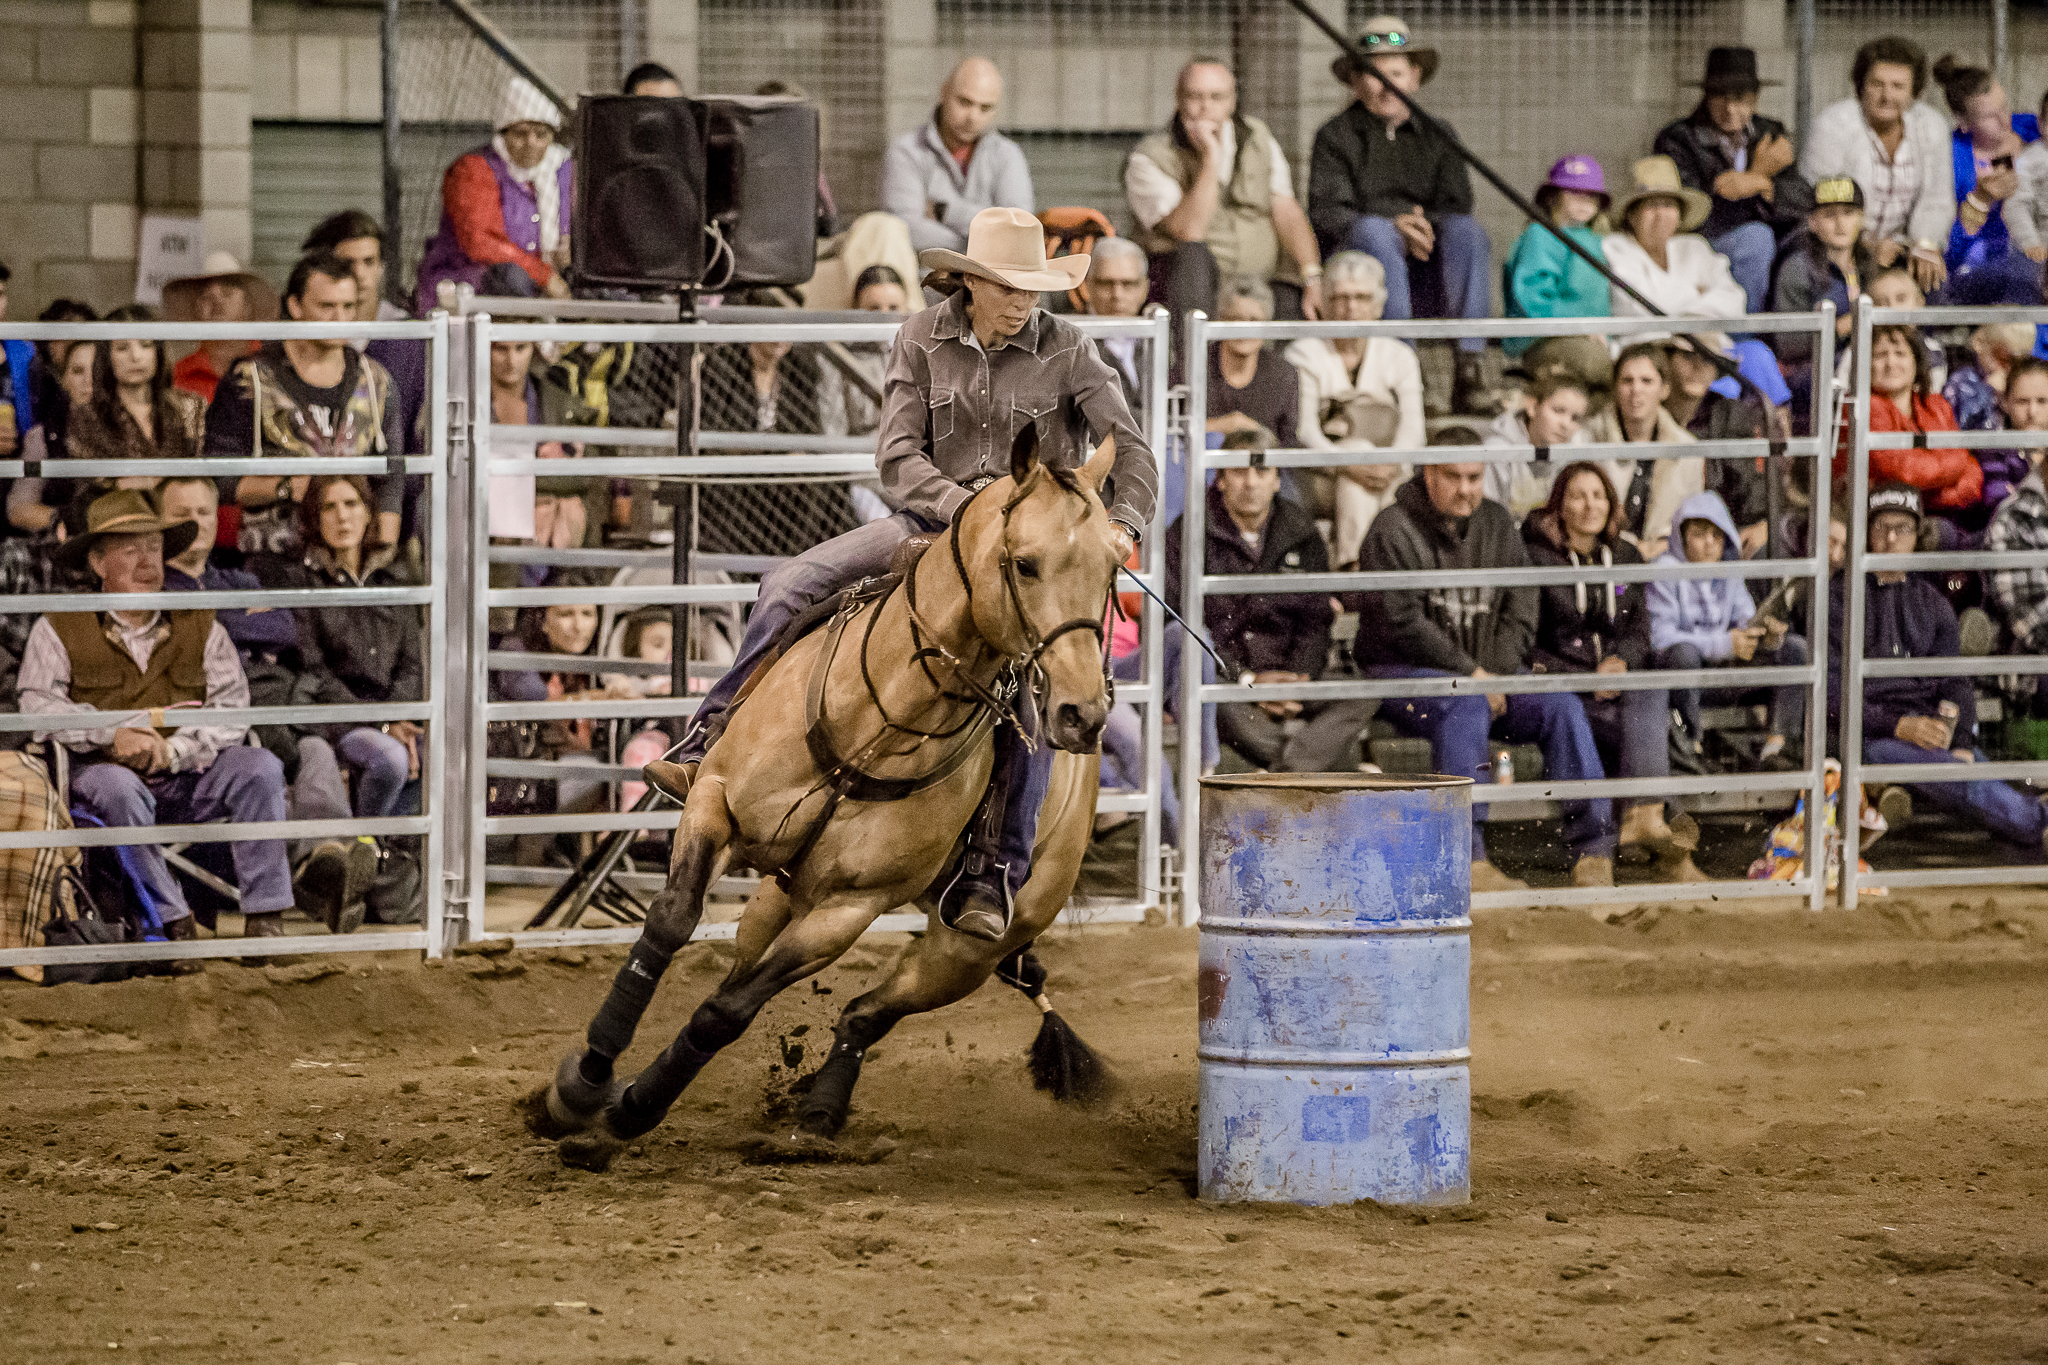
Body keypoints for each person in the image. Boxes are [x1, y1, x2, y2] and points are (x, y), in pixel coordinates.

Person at [644, 206, 1156, 943]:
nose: (1024, 301)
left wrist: (1121, 524)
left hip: (1028, 559)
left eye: (1033, 288)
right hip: (929, 527)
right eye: (1011, 286)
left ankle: (995, 867)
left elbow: (1131, 450)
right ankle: (708, 738)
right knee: (787, 584)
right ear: (972, 282)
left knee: (1033, 687)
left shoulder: (1069, 349)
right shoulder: (921, 338)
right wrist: (968, 513)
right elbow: (897, 458)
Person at [17, 489, 302, 938]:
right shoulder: (57, 625)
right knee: (117, 789)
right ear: (98, 564)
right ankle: (172, 918)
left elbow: (231, 706)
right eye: (131, 550)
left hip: (190, 771)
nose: (147, 561)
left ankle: (265, 916)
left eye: (154, 548)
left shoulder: (201, 622)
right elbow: (36, 706)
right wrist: (112, 735)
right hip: (105, 772)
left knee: (260, 766)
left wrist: (173, 751)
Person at [1354, 461, 1619, 891]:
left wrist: (1492, 673)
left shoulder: (1495, 521)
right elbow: (1399, 621)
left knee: (1562, 705)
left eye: (1474, 478)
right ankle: (1469, 860)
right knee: (1465, 702)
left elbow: (1521, 600)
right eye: (1453, 477)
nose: (1466, 489)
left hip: (1483, 674)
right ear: (1429, 476)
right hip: (1401, 675)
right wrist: (1474, 676)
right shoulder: (1393, 528)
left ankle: (1593, 851)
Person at [156, 475, 375, 926]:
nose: (195, 522)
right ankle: (319, 873)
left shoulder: (237, 577)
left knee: (315, 747)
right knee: (294, 752)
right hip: (215, 715)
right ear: (160, 522)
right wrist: (238, 617)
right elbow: (213, 631)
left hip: (274, 704)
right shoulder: (156, 587)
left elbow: (283, 626)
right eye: (181, 514)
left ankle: (322, 859)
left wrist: (225, 618)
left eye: (202, 512)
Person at [1522, 461, 1703, 879]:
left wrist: (1622, 663)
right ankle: (1661, 848)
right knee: (1655, 734)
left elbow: (1639, 632)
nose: (1590, 505)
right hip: (1567, 690)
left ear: (1612, 503)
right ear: (1559, 506)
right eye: (1578, 496)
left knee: (1650, 685)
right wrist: (1586, 678)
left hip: (1618, 688)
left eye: (1599, 495)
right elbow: (1529, 641)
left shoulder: (1625, 555)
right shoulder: (1534, 558)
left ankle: (1645, 821)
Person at [1843, 482, 2047, 849]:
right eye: (1881, 528)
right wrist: (1899, 725)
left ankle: (2032, 822)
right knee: (1967, 779)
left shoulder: (1933, 604)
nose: (1891, 538)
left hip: (1930, 731)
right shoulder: (1841, 598)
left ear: (1916, 536)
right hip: (1871, 738)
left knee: (1971, 771)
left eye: (1902, 528)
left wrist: (1963, 740)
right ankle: (2038, 822)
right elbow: (1830, 692)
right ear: (1867, 533)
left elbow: (1955, 682)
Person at [1306, 15, 1492, 409]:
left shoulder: (1440, 134)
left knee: (1469, 232)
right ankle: (1406, 368)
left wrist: (1423, 227)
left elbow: (1457, 202)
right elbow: (1329, 211)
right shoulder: (1334, 136)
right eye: (1374, 74)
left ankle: (1469, 368)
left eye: (1396, 72)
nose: (1387, 84)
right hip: (1364, 264)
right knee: (1374, 233)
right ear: (1356, 83)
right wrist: (1394, 228)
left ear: (1415, 78)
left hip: (1429, 266)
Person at [1168, 456, 1372, 773]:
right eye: (1238, 471)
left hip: (1291, 676)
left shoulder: (1302, 530)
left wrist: (1299, 677)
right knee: (1204, 697)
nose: (1250, 482)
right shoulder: (1187, 531)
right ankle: (1304, 768)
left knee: (1363, 692)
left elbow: (1316, 619)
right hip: (1229, 679)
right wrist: (1246, 679)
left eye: (1262, 471)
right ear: (1220, 479)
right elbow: (1179, 619)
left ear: (1277, 480)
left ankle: (1284, 773)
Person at [206, 252, 407, 559]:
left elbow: (391, 476)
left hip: (352, 565)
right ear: (295, 306)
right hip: (275, 562)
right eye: (327, 307)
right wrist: (287, 487)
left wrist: (384, 552)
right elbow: (216, 476)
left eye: (348, 307)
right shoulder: (250, 380)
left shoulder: (376, 381)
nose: (340, 319)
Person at [263, 474, 424, 827]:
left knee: (445, 755)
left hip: (395, 715)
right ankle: (362, 845)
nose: (342, 516)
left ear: (369, 513)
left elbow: (412, 663)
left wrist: (397, 719)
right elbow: (314, 671)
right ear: (315, 519)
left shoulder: (393, 576)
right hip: (337, 718)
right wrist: (382, 723)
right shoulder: (301, 582)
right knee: (392, 761)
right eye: (329, 507)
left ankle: (388, 856)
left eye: (351, 504)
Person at [1126, 58, 1323, 326]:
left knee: (1293, 296)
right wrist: (1210, 159)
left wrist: (1312, 276)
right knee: (1192, 255)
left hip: (1259, 282)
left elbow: (1286, 211)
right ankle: (1192, 363)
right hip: (1190, 286)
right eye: (1195, 97)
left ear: (1232, 101)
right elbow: (1190, 231)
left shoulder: (1258, 138)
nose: (1206, 107)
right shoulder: (1149, 156)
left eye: (1216, 97)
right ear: (1179, 100)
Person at [1280, 251, 1423, 568]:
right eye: (1341, 297)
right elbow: (1304, 431)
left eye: (1361, 297)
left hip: (1387, 469)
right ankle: (1361, 570)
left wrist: (1388, 465)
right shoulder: (1303, 352)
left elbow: (1414, 429)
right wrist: (1350, 463)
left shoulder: (1400, 355)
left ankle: (1360, 570)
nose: (1351, 308)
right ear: (1326, 304)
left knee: (1381, 482)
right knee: (1358, 468)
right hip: (1319, 473)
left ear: (1378, 305)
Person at [1648, 491, 1808, 770]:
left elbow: (1745, 618)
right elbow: (1660, 637)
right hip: (1687, 679)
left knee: (1794, 648)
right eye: (1699, 533)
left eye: (1717, 534)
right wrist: (1723, 644)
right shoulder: (1664, 570)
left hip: (1726, 675)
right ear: (1681, 536)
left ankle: (1778, 746)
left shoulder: (1729, 571)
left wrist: (1765, 635)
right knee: (1683, 654)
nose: (1709, 542)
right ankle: (1690, 745)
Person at [697, 293, 857, 558]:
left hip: (786, 471)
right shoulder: (722, 364)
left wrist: (796, 453)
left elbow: (810, 428)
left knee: (830, 487)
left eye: (789, 326)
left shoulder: (800, 366)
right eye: (774, 326)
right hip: (739, 472)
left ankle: (811, 563)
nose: (782, 336)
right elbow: (721, 437)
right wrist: (777, 452)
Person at [1654, 47, 1813, 314]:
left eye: (1739, 98)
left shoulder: (1769, 132)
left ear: (1755, 99)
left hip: (1766, 237)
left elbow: (1803, 200)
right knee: (1755, 239)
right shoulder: (1678, 138)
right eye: (1719, 97)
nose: (1729, 109)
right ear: (1706, 98)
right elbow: (1694, 211)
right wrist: (1756, 175)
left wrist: (1761, 183)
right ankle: (1742, 334)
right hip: (1703, 241)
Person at [1800, 36, 1953, 297]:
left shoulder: (1931, 125)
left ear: (1914, 92)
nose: (1887, 96)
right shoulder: (1833, 125)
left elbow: (1936, 198)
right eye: (1877, 84)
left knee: (1934, 278)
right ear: (1861, 86)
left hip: (1902, 247)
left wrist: (1925, 244)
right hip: (1842, 247)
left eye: (1898, 86)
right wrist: (1867, 245)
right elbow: (1825, 203)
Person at [414, 75, 574, 307]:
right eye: (520, 133)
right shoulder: (474, 170)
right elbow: (481, 243)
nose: (531, 143)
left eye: (541, 134)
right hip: (468, 288)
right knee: (510, 277)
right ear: (503, 132)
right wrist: (544, 275)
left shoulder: (558, 168)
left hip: (534, 291)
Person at [879, 57, 1033, 255]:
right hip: (924, 281)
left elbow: (1018, 232)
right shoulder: (906, 152)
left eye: (985, 108)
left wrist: (945, 211)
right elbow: (904, 230)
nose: (973, 117)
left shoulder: (1007, 155)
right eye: (965, 102)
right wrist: (979, 245)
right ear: (944, 92)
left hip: (992, 282)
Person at [1930, 54, 2043, 307]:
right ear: (1963, 122)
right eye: (1989, 117)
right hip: (1976, 268)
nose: (2004, 121)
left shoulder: (2031, 129)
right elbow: (1951, 246)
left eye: (2004, 107)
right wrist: (1982, 199)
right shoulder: (1950, 159)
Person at [1842, 324, 1979, 524]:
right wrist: (1952, 470)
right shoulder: (1863, 406)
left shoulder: (1936, 404)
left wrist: (1926, 499)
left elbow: (1973, 474)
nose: (1890, 363)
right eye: (1880, 355)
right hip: (1877, 520)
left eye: (1900, 353)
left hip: (1940, 513)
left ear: (1917, 362)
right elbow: (1905, 472)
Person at [1502, 155, 1616, 396]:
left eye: (1591, 195)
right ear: (1553, 196)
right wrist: (1580, 327)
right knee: (1597, 368)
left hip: (1596, 338)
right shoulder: (1540, 235)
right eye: (1574, 193)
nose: (1583, 201)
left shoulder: (1597, 241)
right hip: (1546, 340)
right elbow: (1533, 301)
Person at [1581, 343, 1701, 560]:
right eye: (1627, 381)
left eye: (1646, 381)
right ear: (1615, 388)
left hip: (1664, 558)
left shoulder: (1688, 450)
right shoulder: (1587, 438)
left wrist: (1664, 546)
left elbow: (1692, 523)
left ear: (1664, 389)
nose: (1636, 390)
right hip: (1600, 554)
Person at [64, 305, 205, 481]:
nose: (136, 356)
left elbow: (202, 476)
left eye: (146, 345)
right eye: (122, 348)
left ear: (157, 352)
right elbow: (90, 485)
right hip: (116, 507)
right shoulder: (86, 415)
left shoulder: (190, 406)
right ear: (106, 356)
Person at [1770, 176, 1876, 372]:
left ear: (1861, 218)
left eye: (1848, 213)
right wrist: (1840, 328)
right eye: (1829, 215)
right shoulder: (1797, 267)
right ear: (1812, 222)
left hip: (1867, 359)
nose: (1840, 223)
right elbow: (1789, 344)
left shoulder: (1871, 264)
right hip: (1812, 370)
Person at [1986, 358, 2048, 651]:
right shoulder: (1994, 451)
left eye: (2042, 401)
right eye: (2023, 401)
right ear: (2006, 403)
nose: (2032, 411)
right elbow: (1997, 501)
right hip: (2006, 541)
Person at [6, 336, 96, 534]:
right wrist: (65, 520)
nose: (89, 380)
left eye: (97, 370)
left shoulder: (132, 429)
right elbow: (18, 509)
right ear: (63, 380)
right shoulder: (44, 436)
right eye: (77, 371)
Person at [162, 253, 275, 404]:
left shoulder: (274, 365)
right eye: (206, 297)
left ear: (247, 306)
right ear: (196, 310)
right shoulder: (178, 375)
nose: (217, 302)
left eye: (227, 293)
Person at [1207, 276, 1300, 451]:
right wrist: (1220, 425)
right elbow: (1172, 429)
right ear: (1220, 320)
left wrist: (1255, 432)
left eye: (1254, 320)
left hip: (1262, 466)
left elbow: (1288, 442)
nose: (1244, 329)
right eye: (1235, 319)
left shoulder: (1283, 373)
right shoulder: (1195, 364)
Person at [1483, 371, 1589, 518]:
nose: (1566, 424)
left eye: (1575, 418)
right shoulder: (1496, 452)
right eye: (1558, 411)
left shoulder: (1578, 455)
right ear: (1532, 407)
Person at [1084, 238, 1151, 411]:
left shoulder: (1162, 341)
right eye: (1106, 284)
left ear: (1145, 288)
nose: (1117, 294)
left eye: (1128, 284)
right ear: (1088, 286)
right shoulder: (1072, 345)